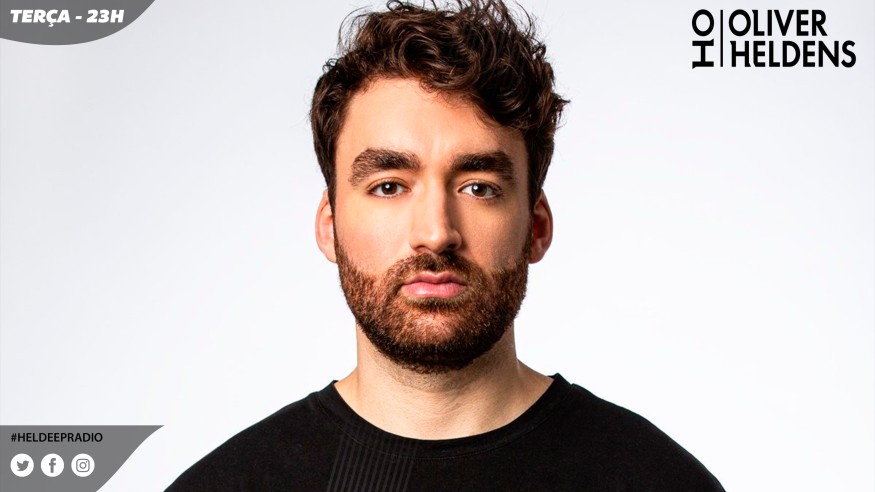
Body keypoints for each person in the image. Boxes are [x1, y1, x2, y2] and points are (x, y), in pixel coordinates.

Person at [168, 1, 724, 490]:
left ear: (535, 227)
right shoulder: (226, 485)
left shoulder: (656, 481)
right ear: (329, 227)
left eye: (478, 187)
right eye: (389, 186)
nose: (435, 233)